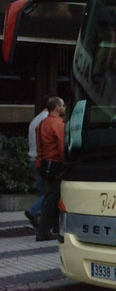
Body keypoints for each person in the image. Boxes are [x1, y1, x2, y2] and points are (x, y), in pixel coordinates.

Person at [35, 96, 66, 241]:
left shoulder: (41, 123)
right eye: (63, 105)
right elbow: (61, 147)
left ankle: (52, 228)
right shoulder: (58, 124)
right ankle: (44, 231)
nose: (64, 108)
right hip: (55, 164)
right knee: (51, 199)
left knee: (50, 196)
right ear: (57, 107)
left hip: (43, 163)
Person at [24, 97, 50, 230]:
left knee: (43, 192)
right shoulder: (47, 119)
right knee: (49, 193)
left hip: (33, 159)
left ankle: (44, 223)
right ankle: (34, 211)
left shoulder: (35, 120)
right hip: (43, 160)